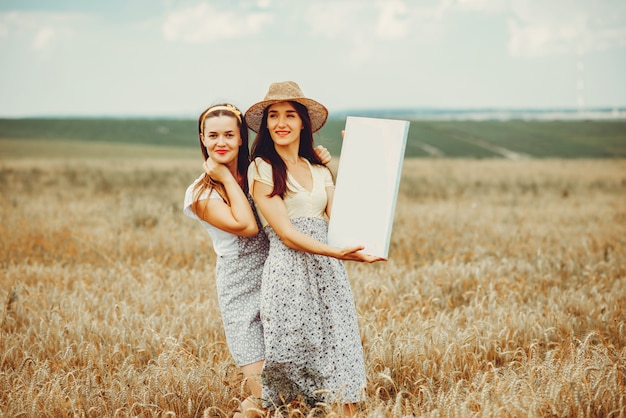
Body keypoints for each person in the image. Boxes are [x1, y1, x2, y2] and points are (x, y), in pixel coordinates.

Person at [182, 103, 331, 417]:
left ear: (240, 138)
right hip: (240, 288)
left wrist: (319, 162)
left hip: (279, 277)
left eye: (228, 134)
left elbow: (302, 187)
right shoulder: (199, 193)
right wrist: (223, 175)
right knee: (266, 393)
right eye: (213, 135)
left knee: (290, 394)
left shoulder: (260, 171)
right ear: (202, 139)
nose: (220, 142)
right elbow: (248, 226)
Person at [245, 81, 385, 414]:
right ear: (265, 124)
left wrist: (358, 161)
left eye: (290, 115)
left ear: (303, 123)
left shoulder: (319, 169)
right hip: (288, 274)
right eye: (274, 116)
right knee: (293, 359)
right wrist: (337, 252)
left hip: (329, 274)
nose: (281, 123)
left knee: (340, 351)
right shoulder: (261, 168)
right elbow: (287, 234)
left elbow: (342, 222)